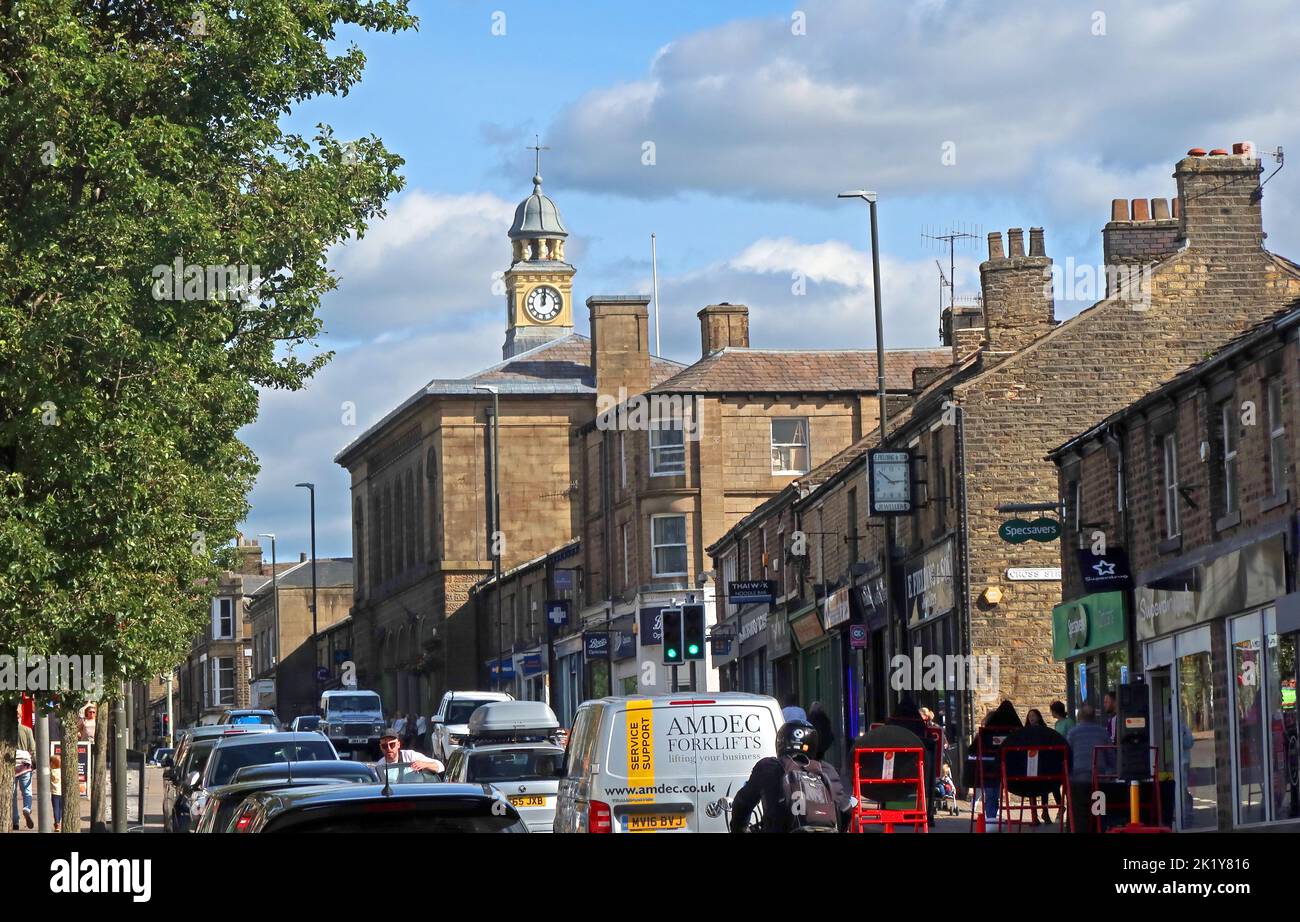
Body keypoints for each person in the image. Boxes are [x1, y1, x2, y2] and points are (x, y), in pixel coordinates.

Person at [729, 719, 852, 833]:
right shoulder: (826, 770)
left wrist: (739, 828)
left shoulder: (768, 767)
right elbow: (845, 809)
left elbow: (743, 803)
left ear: (780, 742)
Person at [1067, 704, 1111, 832]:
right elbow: (1110, 755)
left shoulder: (1073, 733)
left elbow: (1067, 755)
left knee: (1079, 813)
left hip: (1078, 780)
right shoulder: (1103, 732)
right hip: (1099, 780)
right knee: (1099, 812)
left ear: (1079, 717)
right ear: (1094, 717)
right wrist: (1110, 773)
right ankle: (1099, 829)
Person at [373, 726, 444, 781]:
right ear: (380, 747)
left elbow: (440, 766)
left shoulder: (410, 756)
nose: (389, 748)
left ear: (398, 744)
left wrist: (425, 765)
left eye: (392, 745)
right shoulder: (379, 767)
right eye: (384, 746)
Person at [1024, 709, 1051, 825]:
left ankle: (1045, 811)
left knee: (1044, 789)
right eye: (1029, 716)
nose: (1031, 718)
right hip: (1031, 761)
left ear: (1039, 717)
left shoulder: (1045, 730)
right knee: (1031, 789)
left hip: (1043, 761)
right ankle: (1034, 817)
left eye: (1033, 715)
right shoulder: (1025, 731)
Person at [1047, 701, 1073, 822]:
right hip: (1058, 756)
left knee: (1067, 785)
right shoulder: (1057, 723)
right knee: (1054, 784)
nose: (1051, 713)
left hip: (1067, 755)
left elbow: (1071, 738)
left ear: (1055, 711)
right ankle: (1061, 806)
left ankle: (1070, 812)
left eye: (1051, 710)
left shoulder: (1069, 722)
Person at [13, 704, 35, 830]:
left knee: (12, 794)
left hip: (11, 763)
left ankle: (15, 821)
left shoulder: (5, 730)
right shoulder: (27, 730)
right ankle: (27, 808)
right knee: (27, 791)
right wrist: (35, 762)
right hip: (25, 762)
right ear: (20, 714)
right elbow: (32, 748)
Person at [50, 753, 63, 833]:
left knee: (55, 808)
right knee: (60, 808)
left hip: (54, 793)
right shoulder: (62, 771)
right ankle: (58, 822)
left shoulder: (51, 772)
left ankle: (57, 823)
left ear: (53, 763)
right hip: (62, 792)